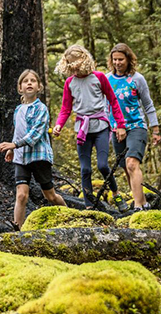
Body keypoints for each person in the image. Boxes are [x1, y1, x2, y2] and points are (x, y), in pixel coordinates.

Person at [52, 45, 126, 209]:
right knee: (85, 169)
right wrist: (59, 125)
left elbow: (113, 101)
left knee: (102, 165)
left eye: (76, 63)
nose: (74, 67)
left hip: (100, 126)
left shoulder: (99, 77)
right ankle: (88, 206)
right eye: (70, 64)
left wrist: (120, 125)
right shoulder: (70, 83)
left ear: (84, 60)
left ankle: (116, 194)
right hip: (82, 130)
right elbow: (66, 108)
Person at [0, 69, 67, 228]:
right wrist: (12, 149)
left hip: (38, 156)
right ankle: (18, 229)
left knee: (50, 196)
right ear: (20, 88)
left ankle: (69, 216)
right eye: (25, 81)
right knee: (21, 195)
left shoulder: (41, 108)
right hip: (21, 157)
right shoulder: (18, 110)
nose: (29, 83)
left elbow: (36, 133)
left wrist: (14, 144)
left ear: (39, 87)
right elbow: (18, 131)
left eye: (33, 81)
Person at [106, 43, 160, 211]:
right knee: (125, 167)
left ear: (128, 59)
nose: (117, 63)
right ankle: (143, 202)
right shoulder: (107, 79)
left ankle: (137, 206)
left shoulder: (137, 79)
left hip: (136, 126)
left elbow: (148, 105)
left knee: (132, 164)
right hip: (116, 129)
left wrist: (156, 129)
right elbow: (104, 105)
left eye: (121, 59)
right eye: (114, 60)